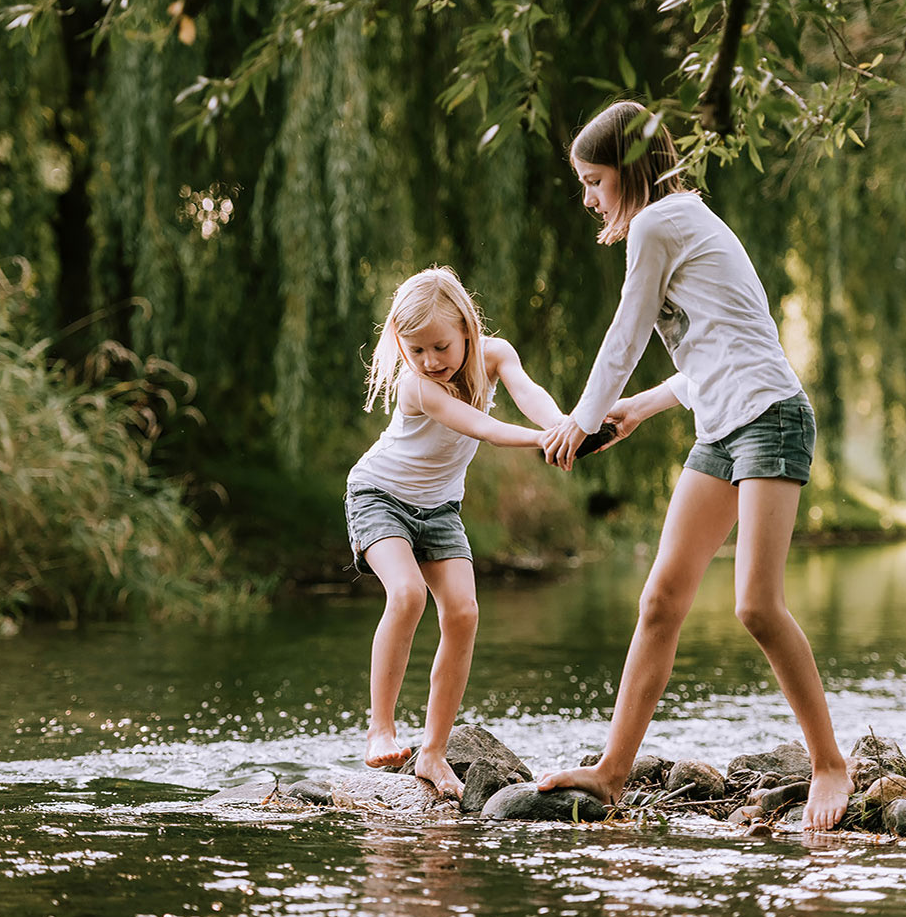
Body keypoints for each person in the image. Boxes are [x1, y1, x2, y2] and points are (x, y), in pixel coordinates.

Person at [536, 100, 851, 831]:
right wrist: (639, 408)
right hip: (722, 427)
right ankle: (613, 772)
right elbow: (717, 346)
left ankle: (831, 763)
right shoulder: (680, 219)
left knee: (755, 605)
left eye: (592, 179)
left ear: (628, 172)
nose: (586, 197)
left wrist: (580, 419)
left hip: (769, 418)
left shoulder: (657, 223)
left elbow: (626, 331)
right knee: (661, 600)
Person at [347, 266, 563, 799]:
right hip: (380, 497)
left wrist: (563, 425)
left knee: (464, 613)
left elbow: (528, 392)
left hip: (439, 509)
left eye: (441, 346)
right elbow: (483, 428)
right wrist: (543, 442)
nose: (431, 361)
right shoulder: (417, 385)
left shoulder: (496, 354)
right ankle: (381, 729)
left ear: (467, 327)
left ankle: (434, 752)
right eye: (415, 350)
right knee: (406, 594)